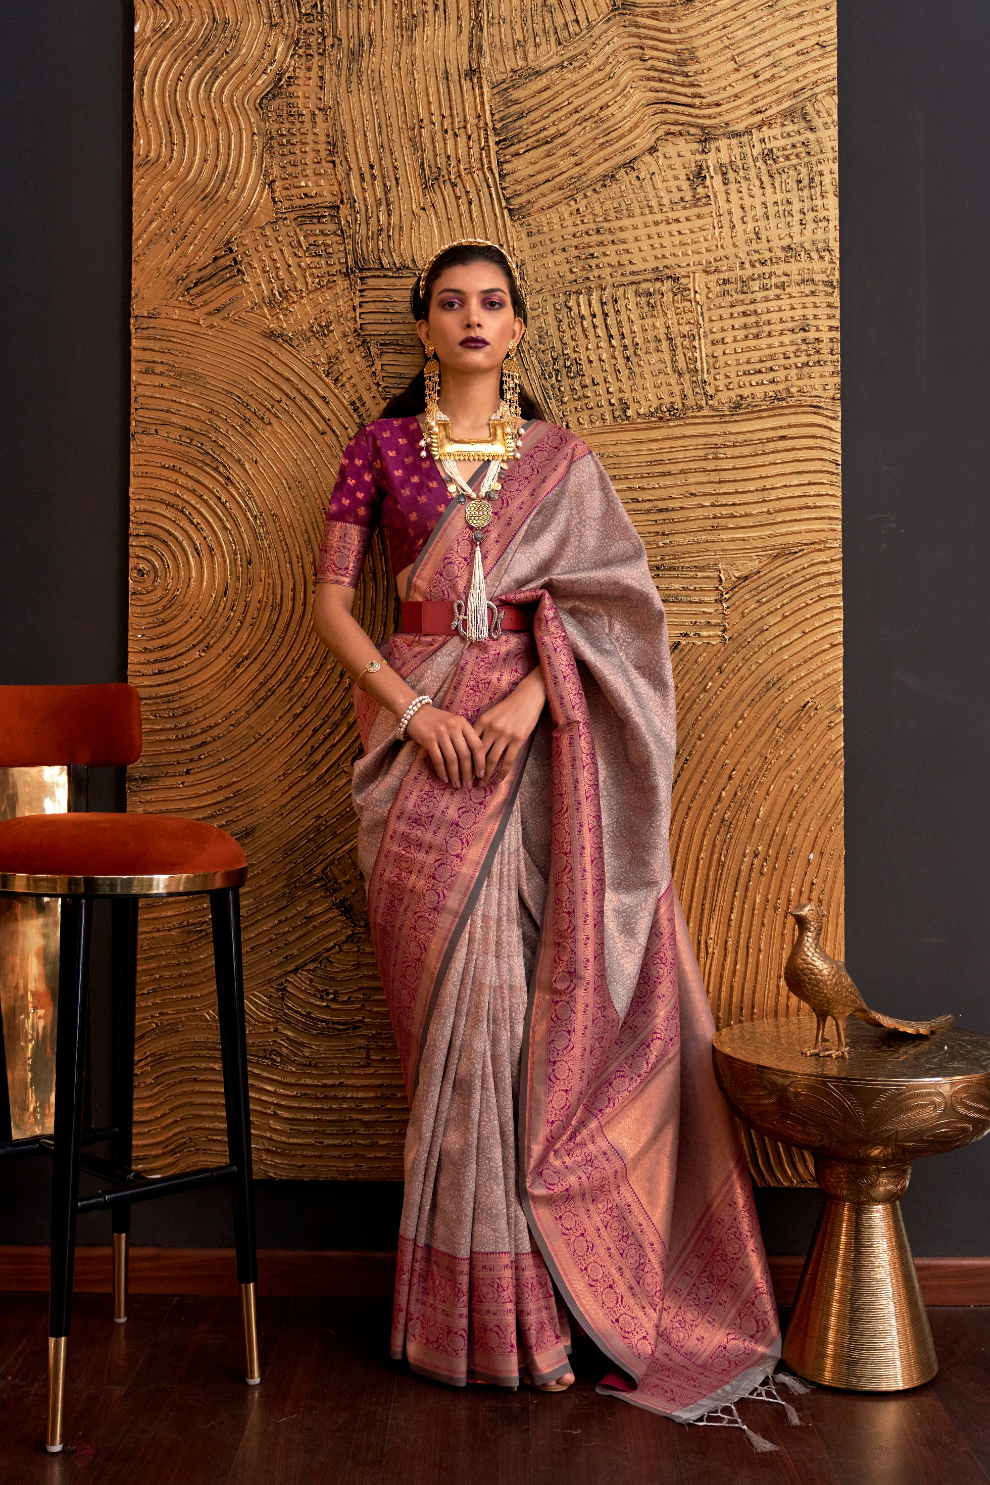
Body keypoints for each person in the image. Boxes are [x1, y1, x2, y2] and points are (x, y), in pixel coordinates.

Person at [313, 240, 783, 1429]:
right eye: (451, 303)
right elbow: (331, 602)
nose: (473, 318)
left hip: (531, 765)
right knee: (445, 1030)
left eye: (493, 303)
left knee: (527, 1021)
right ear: (426, 327)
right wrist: (415, 714)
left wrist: (526, 707)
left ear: (518, 326)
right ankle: (451, 1321)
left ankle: (545, 1317)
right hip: (414, 749)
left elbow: (615, 614)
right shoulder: (380, 450)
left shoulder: (564, 464)